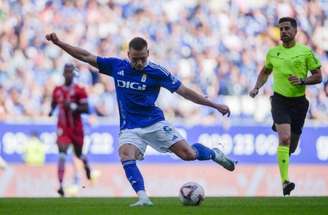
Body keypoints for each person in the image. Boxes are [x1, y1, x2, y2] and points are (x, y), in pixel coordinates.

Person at [45, 33, 236, 206]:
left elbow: (184, 92)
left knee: (189, 155)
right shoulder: (116, 66)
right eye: (135, 59)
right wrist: (59, 42)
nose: (139, 63)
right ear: (128, 54)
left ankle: (214, 154)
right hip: (130, 127)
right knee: (125, 155)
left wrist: (215, 105)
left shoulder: (158, 72)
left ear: (148, 53)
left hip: (154, 123)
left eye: (143, 58)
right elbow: (86, 56)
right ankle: (143, 198)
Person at [249, 17, 322, 196]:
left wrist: (303, 80)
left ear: (295, 31)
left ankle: (283, 162)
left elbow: (319, 76)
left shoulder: (305, 52)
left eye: (287, 28)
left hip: (299, 103)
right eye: (281, 29)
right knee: (285, 139)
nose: (283, 31)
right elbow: (265, 71)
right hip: (279, 100)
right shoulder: (273, 53)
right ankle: (285, 182)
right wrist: (257, 87)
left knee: (292, 146)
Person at [49, 63, 94, 197]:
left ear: (73, 74)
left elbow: (86, 109)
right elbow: (53, 103)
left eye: (70, 72)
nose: (68, 74)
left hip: (76, 128)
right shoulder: (57, 90)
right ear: (63, 74)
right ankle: (61, 186)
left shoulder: (80, 90)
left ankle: (86, 166)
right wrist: (51, 111)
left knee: (78, 154)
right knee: (62, 154)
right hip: (62, 128)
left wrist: (74, 106)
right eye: (66, 72)